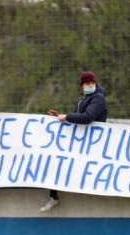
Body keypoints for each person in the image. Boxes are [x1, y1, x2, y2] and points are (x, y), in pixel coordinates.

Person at [40, 71, 108, 212]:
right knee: (54, 160)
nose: (89, 85)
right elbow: (76, 117)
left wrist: (67, 117)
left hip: (92, 142)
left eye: (91, 83)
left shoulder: (99, 99)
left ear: (95, 84)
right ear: (82, 86)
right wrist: (60, 116)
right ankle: (54, 196)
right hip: (80, 141)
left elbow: (88, 117)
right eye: (86, 84)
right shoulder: (81, 100)